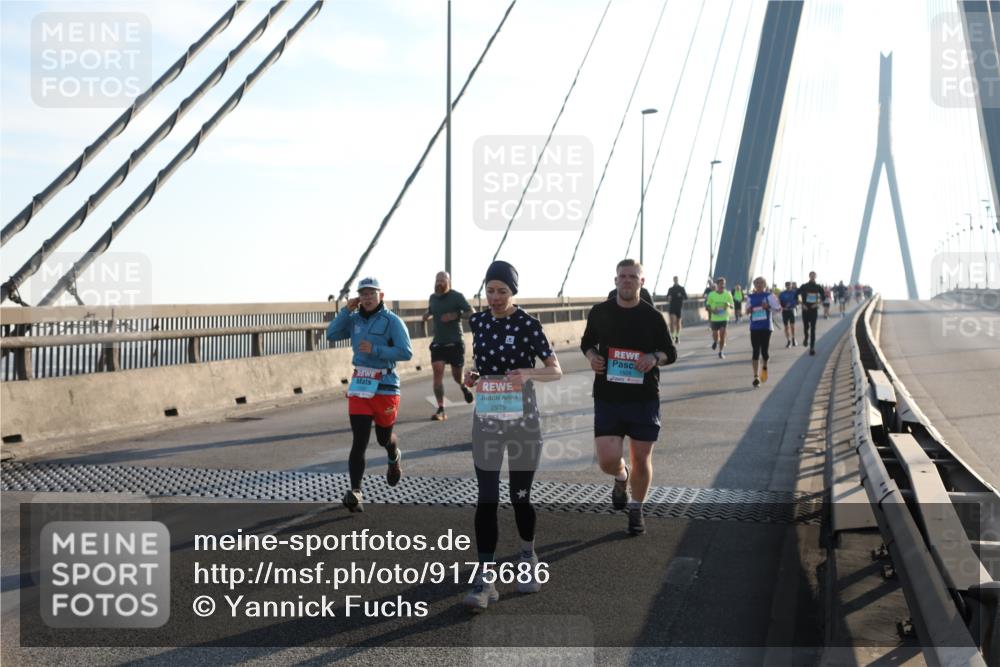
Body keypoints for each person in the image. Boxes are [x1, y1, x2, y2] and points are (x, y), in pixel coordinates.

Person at [462, 260, 562, 611]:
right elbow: (477, 364)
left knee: (520, 497)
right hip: (487, 419)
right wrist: (471, 377)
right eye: (489, 290)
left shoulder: (528, 324)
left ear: (513, 291)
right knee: (487, 497)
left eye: (501, 291)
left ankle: (527, 556)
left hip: (523, 421)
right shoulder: (479, 321)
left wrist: (528, 372)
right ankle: (486, 577)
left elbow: (556, 371)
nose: (494, 297)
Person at [582, 259, 676, 536]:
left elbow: (670, 352)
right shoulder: (599, 312)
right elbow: (587, 342)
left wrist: (654, 357)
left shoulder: (653, 317)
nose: (627, 280)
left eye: (633, 276)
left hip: (644, 397)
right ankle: (621, 477)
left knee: (642, 457)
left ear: (641, 281)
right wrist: (592, 357)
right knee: (607, 460)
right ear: (615, 280)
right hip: (608, 396)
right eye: (622, 276)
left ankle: (636, 508)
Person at [326, 277, 413, 512]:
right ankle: (356, 491)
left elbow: (406, 352)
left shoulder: (392, 321)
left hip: (385, 386)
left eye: (371, 294)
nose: (367, 298)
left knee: (383, 438)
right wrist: (346, 310)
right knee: (359, 440)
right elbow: (331, 335)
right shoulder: (353, 320)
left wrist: (376, 349)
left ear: (381, 296)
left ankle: (393, 455)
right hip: (361, 386)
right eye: (363, 294)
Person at [422, 271, 474, 421]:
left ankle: (464, 387)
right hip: (439, 342)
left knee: (457, 377)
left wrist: (455, 316)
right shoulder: (432, 298)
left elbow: (471, 312)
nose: (439, 283)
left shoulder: (457, 296)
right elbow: (432, 309)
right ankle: (441, 409)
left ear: (449, 282)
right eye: (437, 280)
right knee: (437, 372)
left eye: (442, 280)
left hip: (455, 342)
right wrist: (427, 314)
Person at [746, 276, 781, 388]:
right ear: (754, 285)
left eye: (761, 283)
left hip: (766, 327)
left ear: (765, 285)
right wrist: (749, 310)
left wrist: (768, 307)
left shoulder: (769, 296)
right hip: (754, 327)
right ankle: (756, 376)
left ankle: (764, 367)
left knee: (765, 352)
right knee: (756, 351)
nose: (759, 285)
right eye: (757, 283)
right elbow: (746, 310)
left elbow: (779, 309)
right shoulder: (750, 297)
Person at [705, 277, 734, 359]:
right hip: (715, 318)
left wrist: (729, 304)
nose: (722, 285)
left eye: (724, 284)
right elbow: (707, 306)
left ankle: (721, 351)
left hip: (724, 318)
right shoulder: (712, 295)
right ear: (717, 285)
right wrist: (712, 310)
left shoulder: (728, 294)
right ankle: (715, 341)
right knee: (715, 335)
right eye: (721, 284)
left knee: (722, 333)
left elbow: (732, 306)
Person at [798, 271, 824, 356]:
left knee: (813, 329)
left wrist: (817, 303)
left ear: (816, 276)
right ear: (809, 276)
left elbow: (823, 297)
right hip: (805, 309)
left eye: (814, 275)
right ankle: (806, 337)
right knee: (806, 327)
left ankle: (812, 348)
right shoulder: (804, 286)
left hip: (814, 309)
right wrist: (802, 304)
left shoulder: (818, 287)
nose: (812, 276)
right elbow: (796, 295)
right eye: (811, 275)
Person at [665, 276, 688, 344]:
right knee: (672, 322)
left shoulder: (681, 288)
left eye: (676, 279)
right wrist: (668, 297)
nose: (675, 280)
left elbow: (686, 297)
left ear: (678, 280)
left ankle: (677, 336)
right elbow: (667, 296)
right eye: (674, 279)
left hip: (679, 307)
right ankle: (673, 336)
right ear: (673, 280)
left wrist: (680, 295)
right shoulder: (670, 289)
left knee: (678, 323)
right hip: (672, 307)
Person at [779, 281, 798, 348]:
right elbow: (780, 302)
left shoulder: (794, 293)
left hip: (792, 310)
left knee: (792, 326)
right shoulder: (782, 294)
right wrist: (782, 307)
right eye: (787, 285)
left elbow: (797, 301)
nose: (788, 286)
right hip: (785, 311)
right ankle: (788, 341)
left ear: (791, 286)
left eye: (789, 285)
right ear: (785, 286)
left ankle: (793, 339)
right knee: (786, 327)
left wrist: (793, 304)